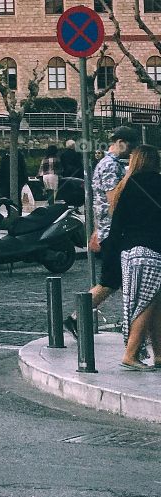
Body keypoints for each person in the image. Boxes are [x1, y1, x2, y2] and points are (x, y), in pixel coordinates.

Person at [64, 126, 138, 342]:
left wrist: (98, 229)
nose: (132, 152)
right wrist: (131, 174)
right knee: (110, 281)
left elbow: (99, 203)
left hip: (109, 230)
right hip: (115, 232)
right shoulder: (109, 166)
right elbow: (112, 199)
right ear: (122, 142)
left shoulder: (110, 165)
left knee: (114, 281)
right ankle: (76, 317)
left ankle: (77, 317)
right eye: (131, 147)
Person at [102, 144, 161, 369]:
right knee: (147, 302)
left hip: (130, 252)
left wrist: (111, 258)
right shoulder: (159, 183)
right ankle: (130, 354)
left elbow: (117, 225)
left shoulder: (126, 186)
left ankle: (159, 353)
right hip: (153, 250)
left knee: (152, 302)